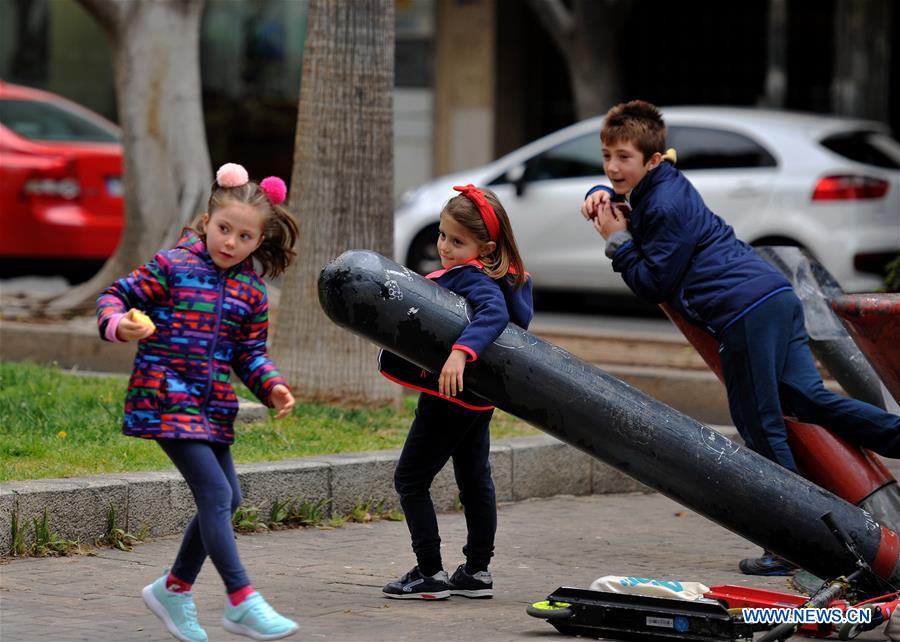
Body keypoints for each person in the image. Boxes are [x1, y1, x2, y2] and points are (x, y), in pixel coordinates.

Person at [580, 100, 900, 577]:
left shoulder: (664, 203)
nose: (612, 166)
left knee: (762, 429)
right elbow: (629, 200)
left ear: (652, 159)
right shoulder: (660, 184)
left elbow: (653, 283)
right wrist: (599, 193)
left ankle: (795, 542)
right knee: (807, 401)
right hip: (771, 296)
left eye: (623, 157)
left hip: (745, 311)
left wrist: (616, 240)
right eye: (606, 155)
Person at [96, 163, 300, 642]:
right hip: (165, 396)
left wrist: (271, 386)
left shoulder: (251, 291)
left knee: (230, 498)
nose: (230, 242)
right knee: (215, 495)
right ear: (207, 221)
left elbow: (249, 354)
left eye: (244, 237)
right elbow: (114, 296)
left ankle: (174, 589)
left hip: (212, 406)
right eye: (224, 229)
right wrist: (119, 323)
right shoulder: (172, 266)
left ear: (259, 240)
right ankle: (241, 600)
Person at [378, 185, 533, 599]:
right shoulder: (493, 274)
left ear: (485, 248)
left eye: (457, 241)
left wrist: (460, 353)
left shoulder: (473, 277)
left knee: (410, 479)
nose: (444, 246)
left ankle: (429, 572)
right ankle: (477, 572)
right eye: (442, 236)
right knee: (474, 481)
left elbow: (494, 313)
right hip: (477, 400)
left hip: (449, 396)